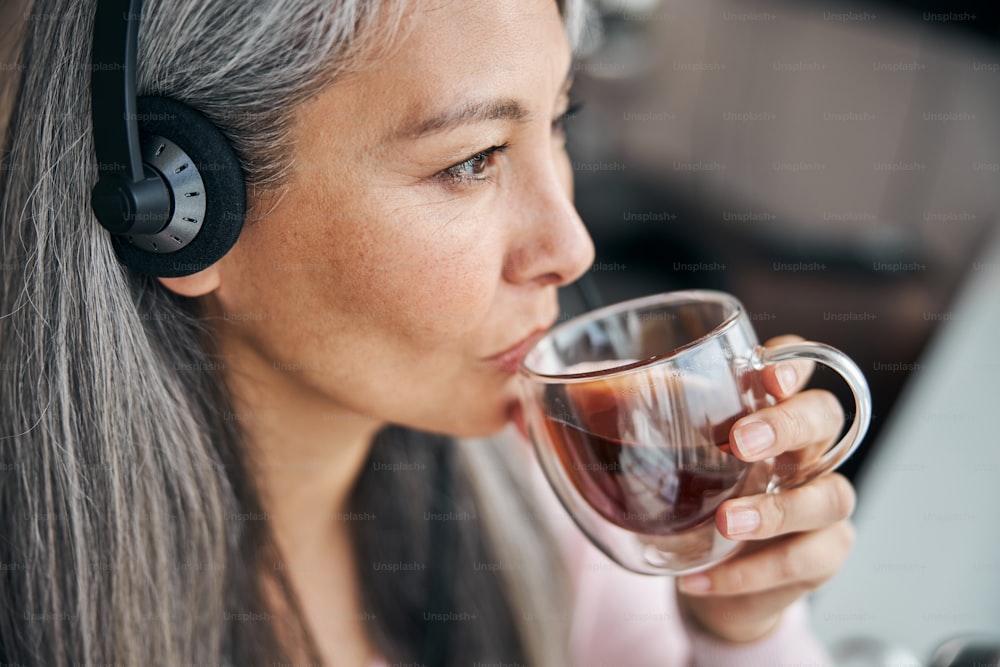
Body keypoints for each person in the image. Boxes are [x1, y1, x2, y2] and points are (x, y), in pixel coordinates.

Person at [0, 0, 856, 664]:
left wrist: (738, 625)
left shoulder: (544, 489)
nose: (571, 247)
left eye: (556, 122)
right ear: (182, 209)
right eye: (471, 161)